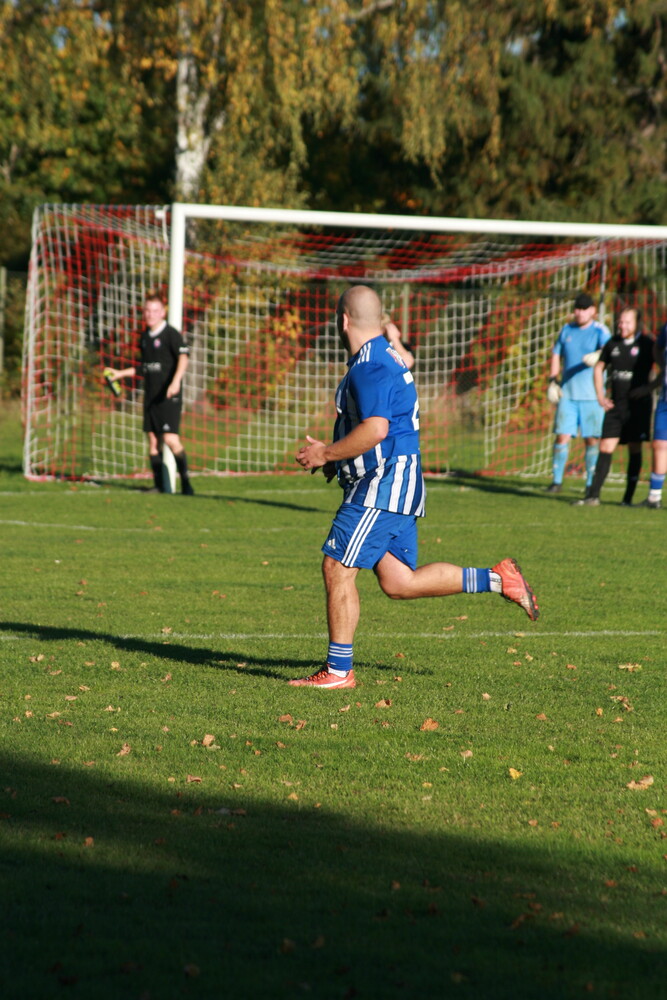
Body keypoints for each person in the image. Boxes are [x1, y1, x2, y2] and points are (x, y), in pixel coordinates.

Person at [289, 285, 539, 690]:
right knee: (399, 581)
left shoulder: (369, 365)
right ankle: (499, 579)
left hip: (382, 485)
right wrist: (337, 457)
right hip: (399, 481)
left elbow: (376, 429)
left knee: (337, 567)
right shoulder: (387, 356)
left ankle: (338, 672)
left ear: (344, 320)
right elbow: (381, 427)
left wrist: (326, 454)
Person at [104, 293, 194, 495]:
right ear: (143, 313)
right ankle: (160, 486)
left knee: (170, 439)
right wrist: (120, 373)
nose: (151, 314)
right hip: (151, 397)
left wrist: (176, 381)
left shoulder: (170, 334)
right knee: (153, 442)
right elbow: (145, 367)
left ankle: (187, 484)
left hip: (169, 396)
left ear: (163, 313)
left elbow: (184, 357)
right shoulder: (145, 337)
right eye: (148, 311)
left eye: (155, 311)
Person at [572, 307, 655, 506]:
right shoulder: (613, 343)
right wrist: (600, 396)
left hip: (638, 408)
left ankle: (627, 499)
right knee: (605, 446)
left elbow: (663, 368)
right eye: (620, 321)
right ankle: (592, 496)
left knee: (634, 447)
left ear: (637, 324)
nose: (622, 325)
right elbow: (599, 367)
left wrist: (648, 388)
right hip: (615, 406)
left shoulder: (647, 344)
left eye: (627, 322)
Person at [546, 292, 611, 495]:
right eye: (577, 309)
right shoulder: (567, 330)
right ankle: (556, 481)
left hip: (592, 396)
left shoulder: (600, 330)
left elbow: (611, 350)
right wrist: (553, 381)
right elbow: (556, 354)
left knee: (591, 439)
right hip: (568, 394)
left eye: (584, 309)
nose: (580, 313)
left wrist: (600, 355)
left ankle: (591, 483)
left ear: (592, 310)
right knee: (562, 436)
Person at [638, 320, 667, 508]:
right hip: (665, 400)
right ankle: (654, 497)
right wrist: (663, 366)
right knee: (659, 444)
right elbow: (657, 348)